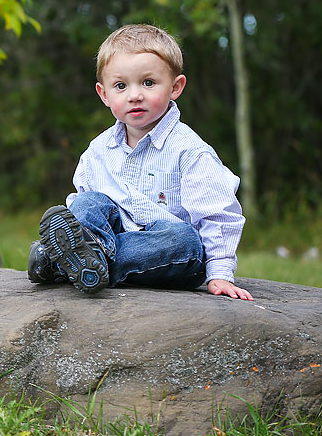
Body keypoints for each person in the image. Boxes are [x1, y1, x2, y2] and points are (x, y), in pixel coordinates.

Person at [27, 24, 254, 301]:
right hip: (110, 237)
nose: (135, 95)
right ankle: (86, 261)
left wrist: (219, 273)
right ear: (104, 94)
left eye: (148, 83)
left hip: (171, 255)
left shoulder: (190, 150)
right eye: (121, 86)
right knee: (86, 203)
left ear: (176, 87)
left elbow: (217, 214)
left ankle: (59, 264)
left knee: (182, 240)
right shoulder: (97, 151)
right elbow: (86, 216)